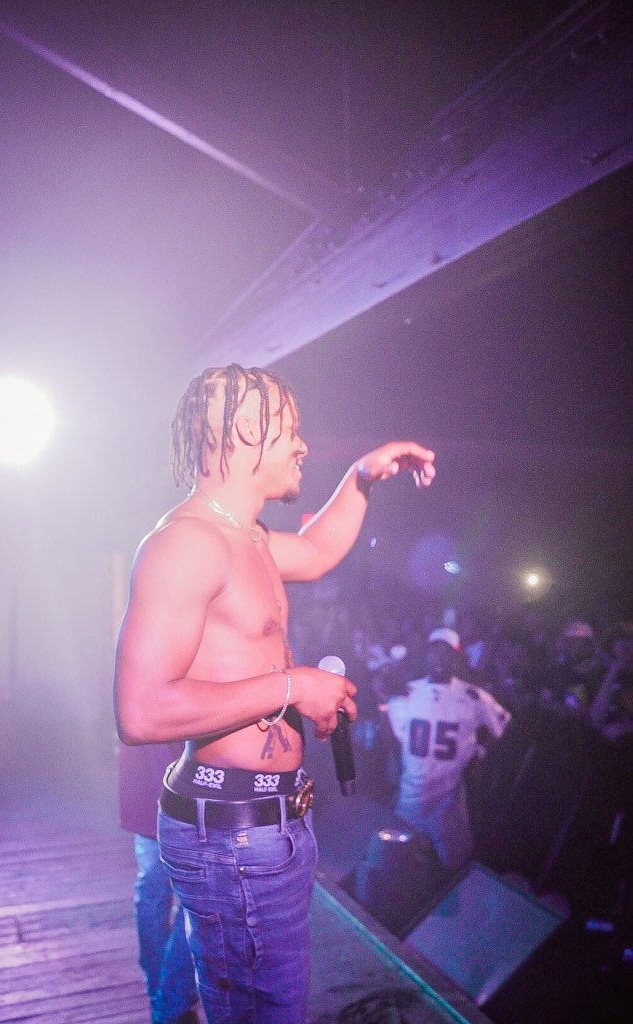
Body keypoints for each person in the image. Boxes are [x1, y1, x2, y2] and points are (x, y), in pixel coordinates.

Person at [113, 363, 435, 1024]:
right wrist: (294, 686)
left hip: (264, 824)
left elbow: (315, 552)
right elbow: (140, 712)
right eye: (291, 429)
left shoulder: (247, 537)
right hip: (231, 836)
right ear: (244, 430)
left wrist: (362, 477)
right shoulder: (187, 543)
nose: (303, 445)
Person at [387, 627, 510, 870]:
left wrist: (480, 752)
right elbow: (396, 734)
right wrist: (393, 760)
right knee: (398, 859)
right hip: (413, 793)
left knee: (457, 863)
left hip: (449, 797)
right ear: (427, 654)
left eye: (447, 652)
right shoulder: (408, 692)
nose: (440, 658)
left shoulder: (472, 695)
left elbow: (502, 722)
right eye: (435, 651)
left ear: (456, 658)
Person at [118, 741, 199, 1024]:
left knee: (153, 896)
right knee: (194, 902)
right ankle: (171, 1002)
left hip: (147, 791)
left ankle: (161, 994)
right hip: (187, 796)